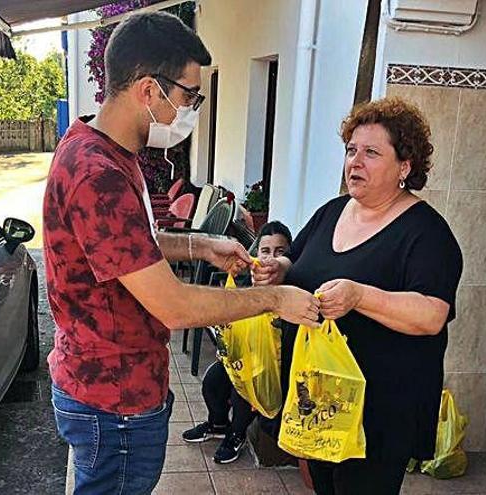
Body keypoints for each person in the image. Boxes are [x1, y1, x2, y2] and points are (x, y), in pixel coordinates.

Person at [42, 12, 320, 495]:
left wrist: (200, 246)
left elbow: (122, 248)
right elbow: (174, 305)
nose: (192, 109)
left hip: (118, 385)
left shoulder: (109, 151)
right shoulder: (97, 174)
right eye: (189, 95)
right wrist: (276, 300)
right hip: (113, 401)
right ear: (149, 90)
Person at [253, 97, 463, 494]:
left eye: (371, 152)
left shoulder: (427, 234)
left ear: (405, 166)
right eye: (351, 150)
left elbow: (432, 314)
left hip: (380, 413)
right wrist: (278, 270)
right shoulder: (332, 212)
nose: (355, 162)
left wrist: (359, 295)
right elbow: (299, 264)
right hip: (320, 402)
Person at [182, 221, 293, 464]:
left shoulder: (292, 291)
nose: (270, 258)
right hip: (240, 358)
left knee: (242, 391)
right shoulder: (247, 283)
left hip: (270, 365)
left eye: (280, 252)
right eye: (265, 251)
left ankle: (236, 434)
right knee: (211, 382)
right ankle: (218, 424)